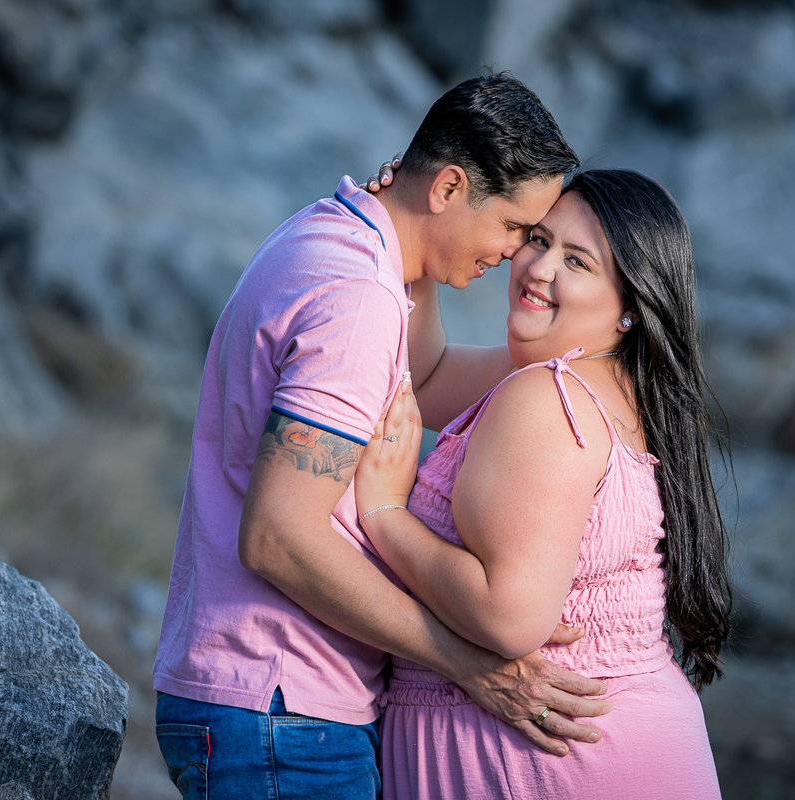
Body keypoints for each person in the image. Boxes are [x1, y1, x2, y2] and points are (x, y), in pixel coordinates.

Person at [152, 73, 613, 800]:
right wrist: (469, 664)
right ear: (450, 187)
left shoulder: (334, 237)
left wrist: (603, 348)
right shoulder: (357, 299)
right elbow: (277, 537)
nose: (515, 254)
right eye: (514, 227)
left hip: (255, 697)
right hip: (282, 709)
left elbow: (426, 379)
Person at [355, 169, 732, 799]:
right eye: (538, 239)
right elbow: (429, 375)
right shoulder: (604, 383)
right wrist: (415, 232)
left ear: (632, 307)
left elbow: (508, 618)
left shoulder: (547, 398)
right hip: (610, 746)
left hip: (549, 761)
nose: (539, 267)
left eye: (577, 261)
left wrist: (386, 514)